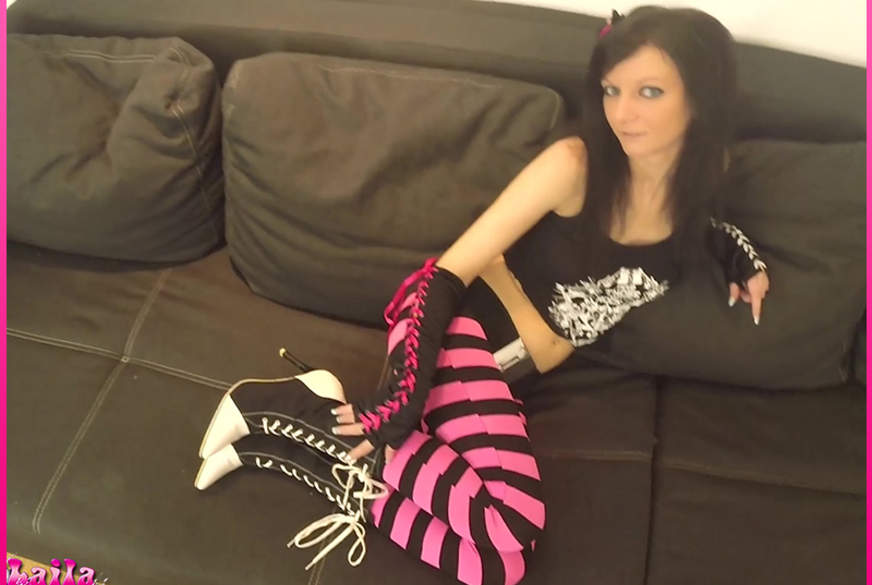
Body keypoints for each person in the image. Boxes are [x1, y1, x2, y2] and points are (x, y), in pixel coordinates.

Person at [193, 6, 770, 585]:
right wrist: (397, 408)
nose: (622, 113)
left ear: (702, 97)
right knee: (513, 521)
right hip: (451, 332)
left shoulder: (703, 178)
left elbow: (701, 229)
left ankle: (290, 450)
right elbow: (446, 275)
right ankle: (299, 409)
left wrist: (741, 259)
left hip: (506, 375)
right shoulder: (574, 166)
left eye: (649, 91)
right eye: (612, 90)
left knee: (497, 568)